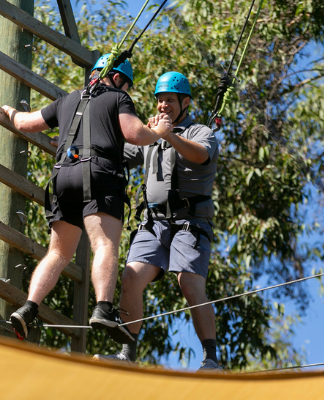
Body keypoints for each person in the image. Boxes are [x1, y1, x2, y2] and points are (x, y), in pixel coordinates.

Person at [0, 54, 173, 345]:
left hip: (62, 177)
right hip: (99, 176)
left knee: (57, 253)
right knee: (104, 243)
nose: (126, 90)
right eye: (127, 85)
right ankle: (103, 308)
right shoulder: (119, 98)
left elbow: (26, 123)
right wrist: (159, 131)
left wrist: (9, 112)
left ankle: (28, 308)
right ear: (118, 79)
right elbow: (133, 134)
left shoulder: (67, 100)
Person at [94, 72, 223, 371]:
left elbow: (200, 156)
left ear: (185, 102)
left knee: (189, 282)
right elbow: (117, 153)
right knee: (131, 277)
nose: (163, 106)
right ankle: (128, 354)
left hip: (190, 221)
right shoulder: (151, 133)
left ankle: (211, 359)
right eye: (160, 100)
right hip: (154, 222)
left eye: (170, 101)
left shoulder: (200, 132)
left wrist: (168, 135)